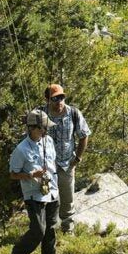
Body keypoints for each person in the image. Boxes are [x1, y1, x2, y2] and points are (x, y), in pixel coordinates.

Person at [9, 109, 59, 254]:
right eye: (42, 128)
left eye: (46, 127)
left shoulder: (49, 141)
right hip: (33, 194)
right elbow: (13, 174)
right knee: (38, 230)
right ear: (31, 128)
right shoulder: (21, 150)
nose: (45, 131)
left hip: (52, 190)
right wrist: (31, 175)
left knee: (50, 228)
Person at [39, 83, 91, 233]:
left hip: (66, 164)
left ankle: (68, 229)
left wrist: (77, 158)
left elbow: (84, 135)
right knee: (46, 197)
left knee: (67, 199)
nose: (59, 101)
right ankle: (48, 229)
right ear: (47, 99)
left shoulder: (73, 113)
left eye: (61, 97)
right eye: (55, 98)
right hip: (45, 165)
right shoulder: (40, 114)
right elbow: (31, 136)